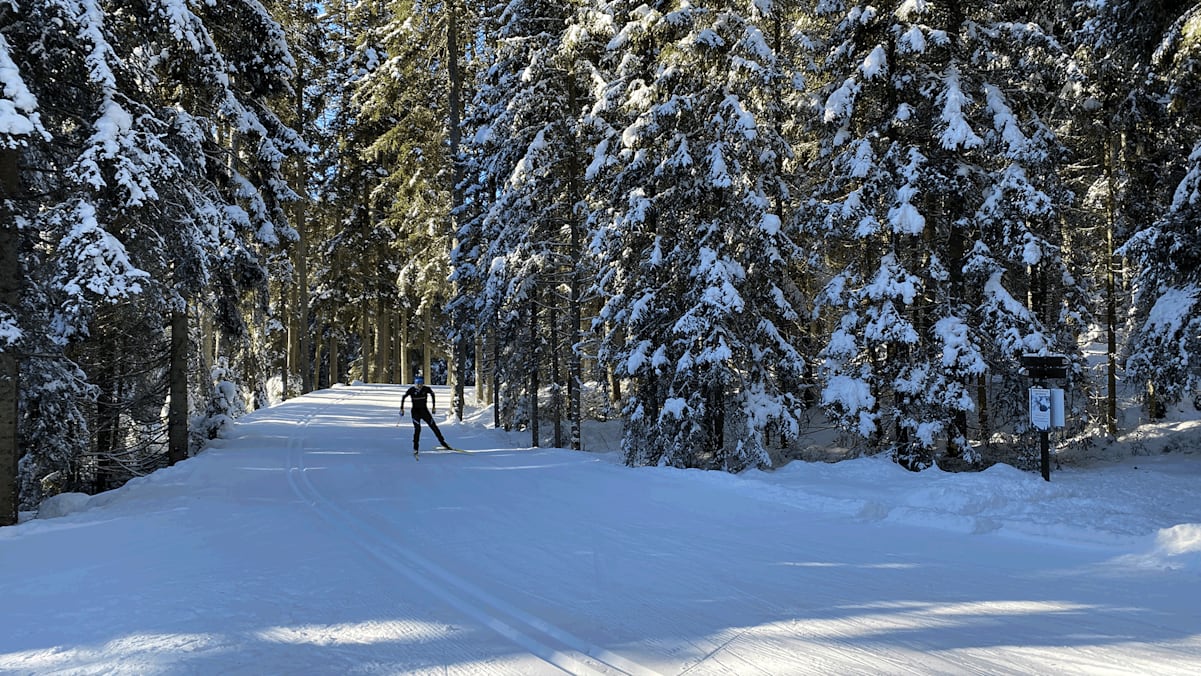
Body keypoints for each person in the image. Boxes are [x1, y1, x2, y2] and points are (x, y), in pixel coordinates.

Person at [400, 376, 451, 457]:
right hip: (415, 412)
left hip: (424, 411)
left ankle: (443, 443)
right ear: (415, 384)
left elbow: (432, 394)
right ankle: (415, 448)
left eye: (421, 384)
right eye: (418, 384)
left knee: (433, 426)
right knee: (417, 429)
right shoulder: (412, 390)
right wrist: (401, 409)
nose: (419, 386)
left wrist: (434, 406)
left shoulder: (426, 389)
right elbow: (403, 397)